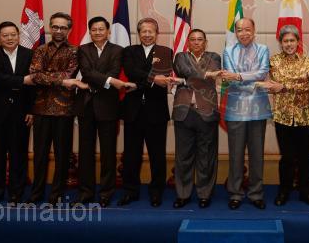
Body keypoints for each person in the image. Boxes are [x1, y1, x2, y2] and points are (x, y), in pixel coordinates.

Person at [72, 16, 136, 208]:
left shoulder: (117, 50)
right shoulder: (83, 49)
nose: (98, 32)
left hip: (108, 106)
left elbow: (114, 72)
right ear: (90, 32)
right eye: (94, 29)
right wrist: (109, 81)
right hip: (86, 106)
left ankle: (106, 193)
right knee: (85, 152)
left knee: (108, 152)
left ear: (108, 32)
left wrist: (103, 80)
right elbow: (86, 71)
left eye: (101, 29)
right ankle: (86, 192)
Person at [262, 24, 309, 207]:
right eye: (285, 41)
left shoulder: (308, 61)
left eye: (292, 40)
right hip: (283, 116)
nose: (289, 44)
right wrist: (306, 76)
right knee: (287, 157)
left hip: (305, 116)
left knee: (305, 157)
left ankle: (306, 192)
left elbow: (306, 88)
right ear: (281, 43)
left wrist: (286, 85)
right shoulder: (274, 61)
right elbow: (277, 83)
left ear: (298, 42)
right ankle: (284, 191)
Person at [27, 12, 87, 206]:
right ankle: (36, 194)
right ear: (50, 27)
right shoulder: (40, 50)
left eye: (63, 27)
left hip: (64, 110)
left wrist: (48, 76)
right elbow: (35, 75)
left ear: (69, 29)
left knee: (62, 156)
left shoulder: (76, 51)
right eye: (55, 27)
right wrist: (61, 80)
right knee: (40, 155)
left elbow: (70, 73)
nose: (59, 30)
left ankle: (56, 196)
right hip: (41, 109)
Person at [119, 18, 175, 207]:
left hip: (156, 111)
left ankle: (156, 192)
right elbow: (131, 72)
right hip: (132, 110)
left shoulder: (165, 52)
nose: (147, 34)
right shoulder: (129, 51)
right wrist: (152, 78)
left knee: (157, 155)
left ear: (157, 33)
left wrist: (139, 83)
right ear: (139, 33)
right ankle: (130, 191)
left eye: (151, 31)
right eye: (144, 31)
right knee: (131, 154)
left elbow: (163, 76)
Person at [0, 21, 35, 207]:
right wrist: (22, 80)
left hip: (22, 112)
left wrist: (31, 110)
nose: (10, 38)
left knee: (19, 154)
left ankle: (16, 195)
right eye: (5, 35)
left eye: (13, 34)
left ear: (19, 35)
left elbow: (34, 86)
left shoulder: (30, 54)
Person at [221, 18, 272, 210]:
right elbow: (230, 79)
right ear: (236, 33)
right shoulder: (228, 51)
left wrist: (239, 76)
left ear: (254, 30)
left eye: (247, 29)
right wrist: (245, 79)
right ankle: (235, 193)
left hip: (258, 109)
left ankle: (256, 193)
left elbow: (262, 73)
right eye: (240, 30)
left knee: (257, 154)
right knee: (236, 155)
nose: (244, 33)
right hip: (236, 110)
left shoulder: (263, 49)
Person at [171, 29, 221, 209]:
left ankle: (204, 194)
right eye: (193, 39)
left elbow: (192, 75)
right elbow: (184, 70)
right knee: (183, 157)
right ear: (188, 43)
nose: (197, 42)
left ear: (205, 42)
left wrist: (184, 81)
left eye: (200, 39)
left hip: (206, 113)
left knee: (206, 157)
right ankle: (183, 194)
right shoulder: (180, 57)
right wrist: (206, 75)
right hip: (184, 112)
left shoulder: (214, 57)